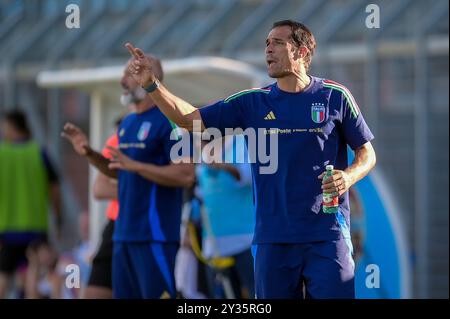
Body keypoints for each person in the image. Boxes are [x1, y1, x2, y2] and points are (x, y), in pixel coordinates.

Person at [123, 19, 377, 299]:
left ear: (302, 53)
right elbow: (188, 120)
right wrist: (152, 85)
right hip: (273, 240)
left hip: (327, 236)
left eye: (278, 43)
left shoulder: (335, 96)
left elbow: (367, 154)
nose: (268, 49)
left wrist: (348, 177)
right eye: (267, 43)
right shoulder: (252, 103)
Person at [62, 56, 195, 299]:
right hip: (122, 234)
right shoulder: (128, 123)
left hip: (154, 236)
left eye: (129, 75)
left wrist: (136, 165)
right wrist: (89, 153)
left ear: (149, 77)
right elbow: (120, 171)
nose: (122, 81)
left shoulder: (173, 121)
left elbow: (186, 175)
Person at [0, 110, 62, 298]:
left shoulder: (2, 153)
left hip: (7, 228)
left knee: (4, 275)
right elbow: (54, 191)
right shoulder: (39, 152)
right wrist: (58, 218)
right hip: (36, 227)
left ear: (11, 126)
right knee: (32, 275)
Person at [196, 135, 255, 298]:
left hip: (245, 240)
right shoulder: (203, 154)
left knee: (256, 294)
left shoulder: (243, 143)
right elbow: (202, 194)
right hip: (214, 245)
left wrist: (222, 166)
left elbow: (248, 176)